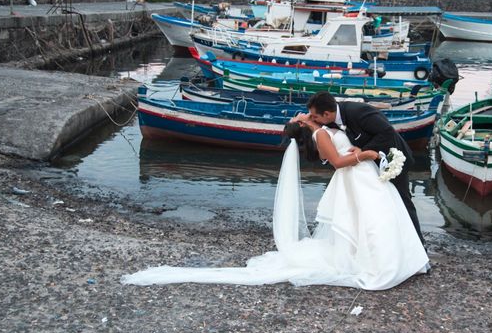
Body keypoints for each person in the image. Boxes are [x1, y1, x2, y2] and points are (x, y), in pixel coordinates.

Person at [122, 116, 429, 290]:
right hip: (356, 173)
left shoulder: (322, 128)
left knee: (372, 219)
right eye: (301, 117)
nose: (301, 116)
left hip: (360, 176)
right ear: (306, 125)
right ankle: (381, 262)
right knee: (371, 221)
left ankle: (390, 257)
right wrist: (369, 154)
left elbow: (327, 135)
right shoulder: (321, 133)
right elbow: (336, 160)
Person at [306, 91, 426, 246]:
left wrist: (363, 151)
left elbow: (387, 132)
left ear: (327, 114)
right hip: (367, 167)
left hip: (391, 160)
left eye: (315, 116)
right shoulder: (329, 119)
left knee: (402, 200)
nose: (313, 119)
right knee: (377, 205)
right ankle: (384, 242)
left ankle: (417, 243)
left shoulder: (359, 111)